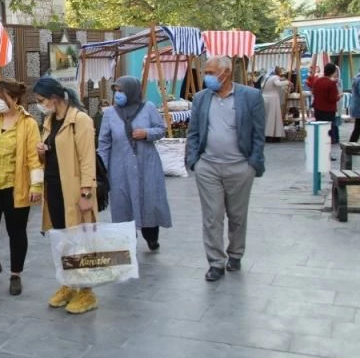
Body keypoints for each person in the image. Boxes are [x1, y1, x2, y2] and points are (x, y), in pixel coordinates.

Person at [186, 56, 265, 282]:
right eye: (206, 73)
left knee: (237, 216)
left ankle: (236, 254)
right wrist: (194, 161)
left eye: (211, 72)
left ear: (227, 72)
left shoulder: (251, 97)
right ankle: (216, 263)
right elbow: (193, 133)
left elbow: (258, 135)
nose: (207, 77)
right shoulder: (201, 98)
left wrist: (252, 164)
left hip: (240, 167)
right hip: (208, 167)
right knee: (212, 217)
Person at [33, 77, 98, 314]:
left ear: (54, 98)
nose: (39, 105)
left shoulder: (80, 120)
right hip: (54, 190)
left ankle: (87, 292)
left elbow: (87, 160)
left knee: (81, 241)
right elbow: (52, 155)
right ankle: (69, 283)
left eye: (41, 100)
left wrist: (86, 193)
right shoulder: (50, 121)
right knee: (63, 240)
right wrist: (42, 152)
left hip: (74, 192)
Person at [0, 80, 43, 296]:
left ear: (15, 99)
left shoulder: (28, 123)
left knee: (16, 232)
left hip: (16, 186)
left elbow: (33, 156)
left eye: (2, 97)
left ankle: (16, 274)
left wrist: (36, 185)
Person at [98, 76, 172, 252]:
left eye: (121, 91)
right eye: (115, 91)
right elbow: (104, 143)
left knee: (149, 200)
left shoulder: (148, 108)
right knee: (122, 204)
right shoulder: (109, 113)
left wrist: (146, 133)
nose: (118, 94)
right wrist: (103, 168)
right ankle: (126, 240)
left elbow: (161, 130)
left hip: (146, 164)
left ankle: (151, 237)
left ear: (131, 91)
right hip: (119, 166)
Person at [310, 63, 342, 144]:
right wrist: (339, 96)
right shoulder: (331, 83)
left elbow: (314, 93)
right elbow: (332, 99)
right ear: (333, 72)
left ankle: (320, 144)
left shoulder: (317, 81)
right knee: (329, 129)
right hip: (328, 110)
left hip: (318, 108)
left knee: (321, 129)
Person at [261, 66, 290, 141]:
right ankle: (272, 135)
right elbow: (277, 84)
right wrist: (287, 82)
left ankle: (265, 134)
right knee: (273, 117)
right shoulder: (275, 77)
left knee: (266, 117)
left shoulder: (267, 78)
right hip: (273, 99)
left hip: (265, 98)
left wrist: (282, 79)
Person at [350, 72, 360, 143]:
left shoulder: (357, 77)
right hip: (359, 107)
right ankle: (351, 145)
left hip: (357, 107)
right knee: (357, 128)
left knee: (357, 128)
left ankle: (351, 144)